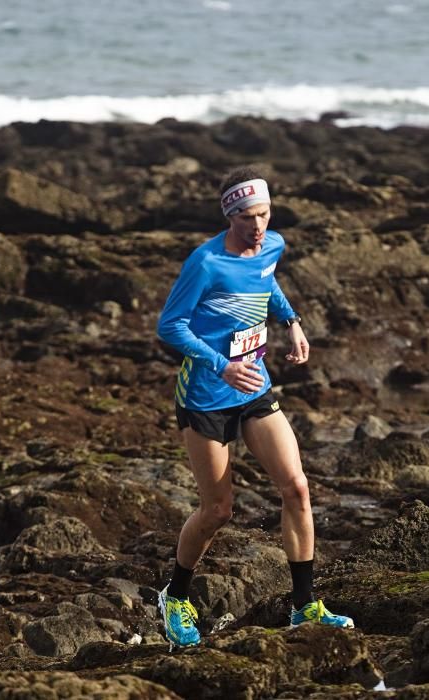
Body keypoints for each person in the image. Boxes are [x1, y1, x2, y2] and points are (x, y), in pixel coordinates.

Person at [155, 166, 354, 648]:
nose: (258, 225)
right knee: (218, 510)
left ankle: (304, 605)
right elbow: (170, 326)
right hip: (206, 396)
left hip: (255, 388)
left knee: (298, 489)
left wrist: (292, 321)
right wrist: (220, 363)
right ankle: (175, 595)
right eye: (247, 216)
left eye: (264, 213)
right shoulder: (204, 263)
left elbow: (267, 282)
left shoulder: (273, 245)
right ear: (230, 215)